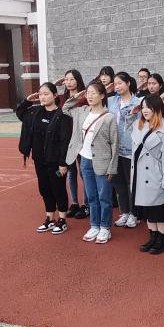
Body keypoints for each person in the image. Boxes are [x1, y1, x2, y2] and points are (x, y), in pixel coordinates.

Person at [63, 81, 120, 244]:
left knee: (104, 198)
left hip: (103, 162)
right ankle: (94, 225)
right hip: (85, 161)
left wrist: (112, 168)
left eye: (93, 93)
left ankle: (105, 227)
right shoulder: (82, 111)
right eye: (88, 93)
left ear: (102, 95)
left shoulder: (109, 117)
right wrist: (77, 96)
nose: (89, 96)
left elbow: (115, 144)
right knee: (92, 197)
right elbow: (65, 108)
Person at [16, 82, 74, 235]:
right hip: (39, 160)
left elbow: (65, 140)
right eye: (40, 94)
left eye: (46, 94)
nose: (42, 97)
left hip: (56, 163)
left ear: (55, 95)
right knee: (44, 189)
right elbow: (20, 113)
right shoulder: (35, 112)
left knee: (58, 189)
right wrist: (28, 100)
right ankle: (49, 218)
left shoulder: (62, 115)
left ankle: (62, 220)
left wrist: (63, 163)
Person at [129, 94, 164, 255]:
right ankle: (153, 237)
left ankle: (162, 240)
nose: (145, 110)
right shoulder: (139, 124)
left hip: (156, 174)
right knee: (147, 208)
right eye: (143, 107)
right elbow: (126, 126)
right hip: (139, 173)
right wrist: (132, 112)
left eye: (148, 107)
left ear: (157, 108)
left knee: (159, 209)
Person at [108, 72, 139, 228]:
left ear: (128, 83)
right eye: (115, 84)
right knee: (118, 183)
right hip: (114, 149)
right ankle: (125, 212)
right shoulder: (111, 101)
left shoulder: (138, 102)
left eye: (120, 83)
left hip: (131, 148)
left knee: (131, 183)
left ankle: (134, 213)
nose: (117, 86)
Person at [58, 70, 88, 219]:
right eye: (66, 79)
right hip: (66, 140)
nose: (69, 82)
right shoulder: (61, 98)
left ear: (78, 80)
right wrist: (54, 85)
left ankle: (86, 204)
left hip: (81, 139)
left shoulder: (85, 97)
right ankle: (75, 203)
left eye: (72, 79)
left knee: (84, 172)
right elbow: (43, 96)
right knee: (71, 172)